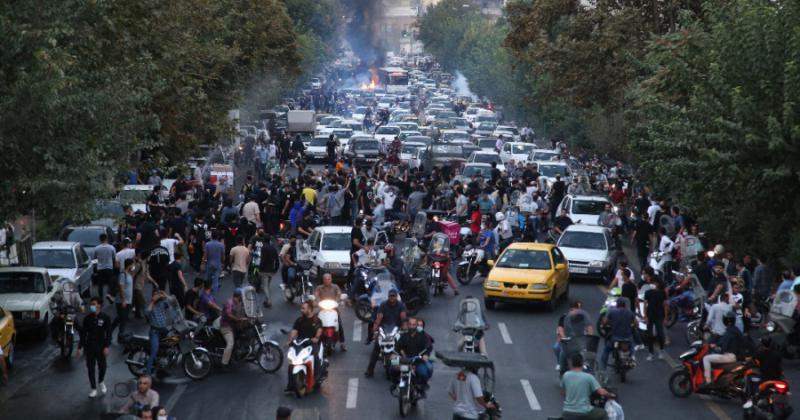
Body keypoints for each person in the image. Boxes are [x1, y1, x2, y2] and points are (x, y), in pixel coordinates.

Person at [365, 289, 407, 378]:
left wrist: (404, 326)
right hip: (384, 329)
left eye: (393, 296)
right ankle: (370, 370)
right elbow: (379, 317)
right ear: (388, 296)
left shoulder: (401, 305)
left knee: (400, 349)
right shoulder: (383, 305)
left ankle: (402, 370)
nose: (392, 298)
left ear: (396, 297)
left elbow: (403, 317)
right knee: (376, 349)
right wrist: (375, 327)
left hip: (396, 330)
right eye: (390, 296)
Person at [560, 353, 615, 419]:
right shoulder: (588, 377)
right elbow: (601, 392)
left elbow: (563, 393)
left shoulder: (566, 375)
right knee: (603, 413)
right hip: (584, 412)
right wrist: (610, 395)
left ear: (571, 363)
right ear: (582, 364)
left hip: (567, 412)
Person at [284, 301, 322, 393]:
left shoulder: (316, 320)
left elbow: (319, 331)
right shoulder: (299, 320)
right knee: (292, 362)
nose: (301, 310)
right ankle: (290, 385)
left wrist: (316, 338)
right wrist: (289, 340)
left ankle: (317, 377)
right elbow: (294, 331)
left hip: (311, 343)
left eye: (303, 308)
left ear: (309, 309)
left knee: (315, 355)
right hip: (300, 343)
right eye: (301, 308)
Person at [77, 296, 112, 397]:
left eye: (94, 304)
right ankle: (93, 388)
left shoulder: (106, 318)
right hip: (90, 347)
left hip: (101, 346)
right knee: (90, 368)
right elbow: (83, 334)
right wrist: (80, 347)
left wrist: (106, 346)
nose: (91, 306)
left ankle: (101, 381)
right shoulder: (87, 319)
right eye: (91, 304)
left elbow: (108, 334)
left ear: (99, 305)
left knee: (102, 367)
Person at [701, 311, 742, 387]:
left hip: (730, 356)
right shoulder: (735, 330)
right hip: (734, 355)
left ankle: (708, 382)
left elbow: (724, 344)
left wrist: (715, 346)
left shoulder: (730, 331)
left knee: (706, 358)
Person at [555, 301, 594, 373]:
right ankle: (561, 369)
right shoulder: (564, 317)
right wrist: (564, 338)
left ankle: (590, 371)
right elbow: (560, 328)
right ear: (570, 310)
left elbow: (589, 327)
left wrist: (590, 338)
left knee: (589, 356)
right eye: (573, 310)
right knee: (560, 351)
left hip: (580, 342)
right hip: (567, 341)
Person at [396, 318, 433, 394]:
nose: (412, 326)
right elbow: (398, 347)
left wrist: (425, 355)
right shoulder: (403, 336)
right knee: (392, 369)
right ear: (408, 325)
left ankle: (421, 389)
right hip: (406, 361)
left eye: (414, 325)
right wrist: (397, 354)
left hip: (418, 361)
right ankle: (396, 385)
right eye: (410, 324)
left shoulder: (422, 336)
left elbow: (428, 346)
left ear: (416, 326)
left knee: (423, 374)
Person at [314, 273, 346, 351]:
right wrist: (318, 302)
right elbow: (316, 295)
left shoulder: (335, 287)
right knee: (315, 323)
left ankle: (342, 343)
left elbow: (339, 294)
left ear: (331, 279)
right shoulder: (319, 288)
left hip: (333, 308)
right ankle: (314, 341)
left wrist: (337, 301)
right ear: (323, 280)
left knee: (339, 324)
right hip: (322, 309)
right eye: (325, 279)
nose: (327, 281)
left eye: (328, 279)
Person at [600, 299, 635, 371]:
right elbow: (636, 323)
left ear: (617, 305)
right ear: (625, 306)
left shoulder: (612, 311)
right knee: (631, 347)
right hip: (627, 338)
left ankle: (602, 368)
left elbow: (605, 322)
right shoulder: (629, 312)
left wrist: (603, 325)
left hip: (615, 338)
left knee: (606, 349)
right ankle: (632, 359)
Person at [221, 288, 248, 370]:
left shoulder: (239, 303)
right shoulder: (229, 303)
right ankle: (224, 363)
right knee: (230, 343)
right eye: (241, 297)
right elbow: (229, 314)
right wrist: (238, 319)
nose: (242, 298)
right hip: (226, 326)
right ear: (237, 296)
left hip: (235, 325)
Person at [145, 290, 170, 375]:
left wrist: (165, 295)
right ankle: (147, 374)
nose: (158, 296)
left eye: (158, 294)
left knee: (167, 349)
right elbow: (146, 313)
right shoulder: (151, 305)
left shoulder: (163, 303)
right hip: (155, 331)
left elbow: (173, 304)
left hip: (164, 330)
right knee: (154, 351)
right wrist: (152, 301)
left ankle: (162, 370)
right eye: (156, 295)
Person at [643, 279, 668, 360]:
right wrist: (645, 316)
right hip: (650, 316)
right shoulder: (648, 293)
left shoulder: (662, 293)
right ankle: (651, 353)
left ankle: (661, 350)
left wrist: (666, 317)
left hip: (659, 316)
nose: (652, 284)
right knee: (649, 335)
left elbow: (665, 305)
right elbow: (645, 304)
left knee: (660, 334)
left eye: (654, 283)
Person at [112, 258, 135, 341]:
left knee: (122, 317)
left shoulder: (129, 274)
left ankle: (117, 332)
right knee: (122, 317)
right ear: (129, 265)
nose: (133, 266)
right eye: (132, 264)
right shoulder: (123, 274)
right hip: (122, 301)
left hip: (128, 300)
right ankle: (119, 334)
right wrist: (123, 300)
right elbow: (121, 287)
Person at [93, 233, 117, 299]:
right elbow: (114, 258)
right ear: (106, 239)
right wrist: (115, 267)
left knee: (100, 285)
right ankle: (109, 294)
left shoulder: (97, 248)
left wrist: (95, 267)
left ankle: (101, 298)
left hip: (100, 268)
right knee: (110, 283)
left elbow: (95, 259)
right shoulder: (111, 247)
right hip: (109, 268)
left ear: (100, 240)